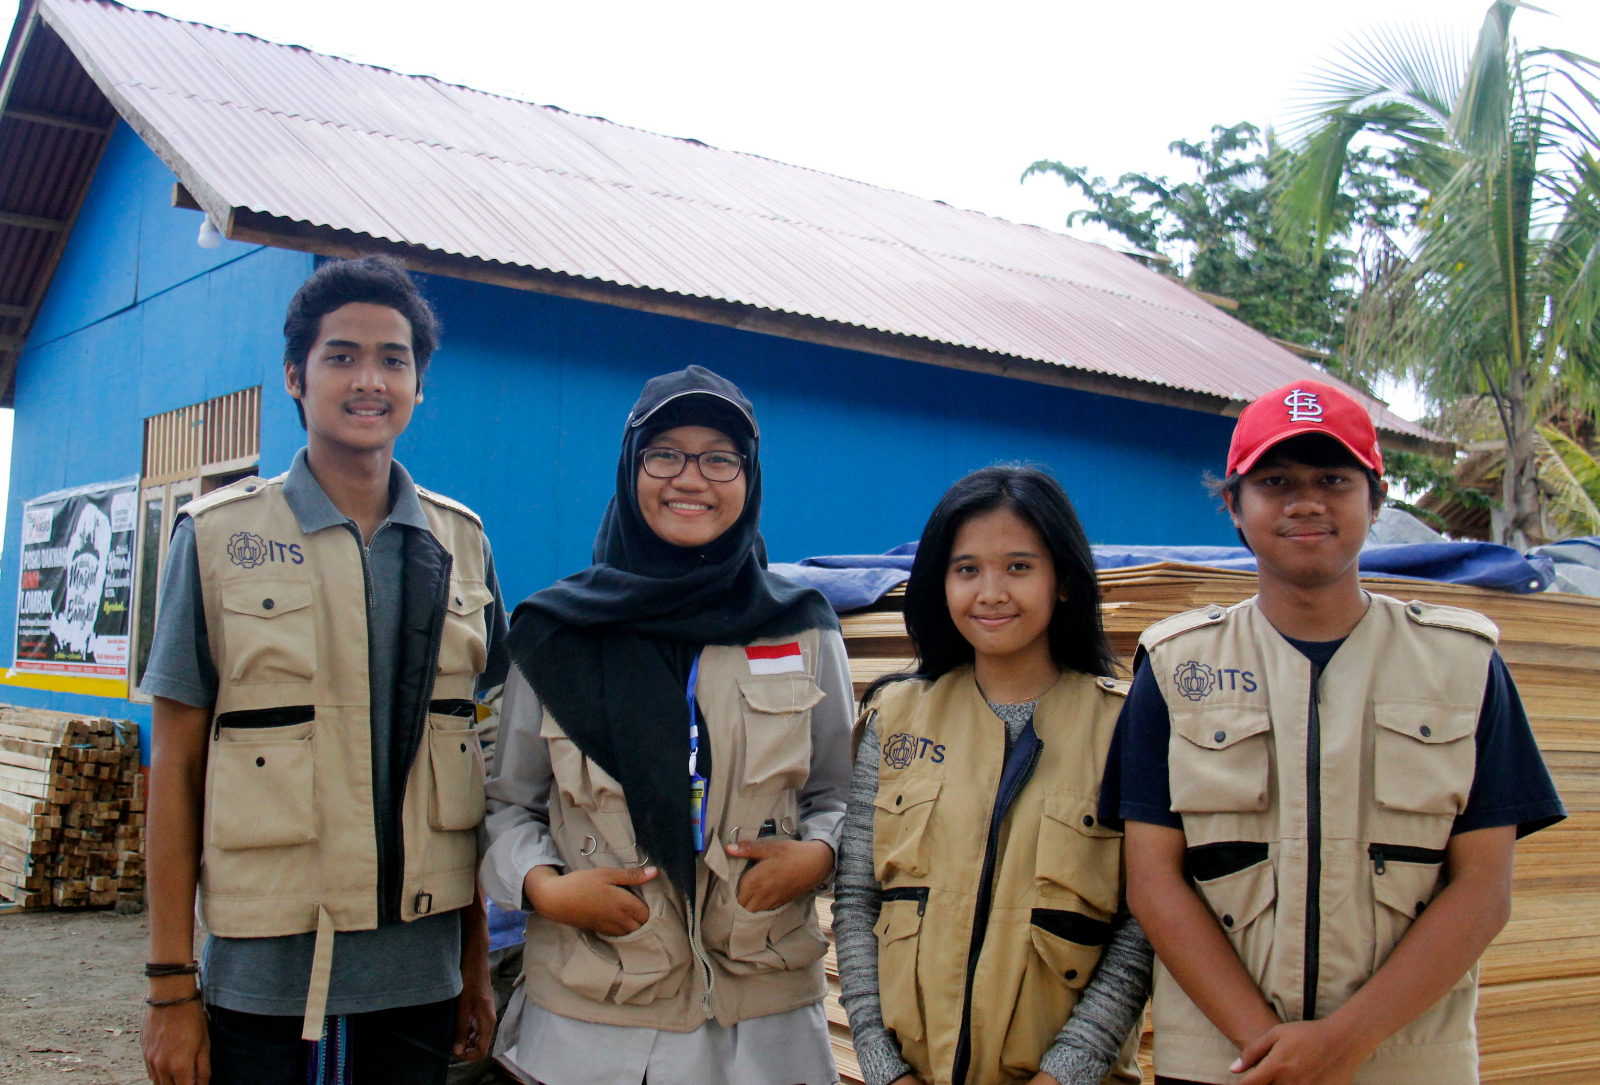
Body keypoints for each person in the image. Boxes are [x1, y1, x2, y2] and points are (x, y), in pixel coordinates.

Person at [1101, 379, 1567, 1085]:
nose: (1306, 501)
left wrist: (1346, 1041)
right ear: (1233, 503)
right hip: (1223, 1064)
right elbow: (1153, 880)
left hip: (1407, 1064)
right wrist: (1270, 1046)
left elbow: (1482, 889)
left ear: (1376, 499)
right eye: (1276, 480)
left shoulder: (1463, 665)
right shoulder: (1175, 666)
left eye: (1333, 479)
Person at [140, 256, 509, 1085]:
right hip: (267, 978)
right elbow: (176, 767)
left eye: (393, 358)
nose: (369, 379)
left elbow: (473, 766)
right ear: (294, 377)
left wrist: (475, 963)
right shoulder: (215, 538)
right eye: (341, 356)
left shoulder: (463, 545)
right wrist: (170, 987)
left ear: (420, 384)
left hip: (420, 977)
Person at [480, 365, 852, 1085]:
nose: (692, 478)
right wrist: (545, 887)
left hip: (764, 1020)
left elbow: (839, 796)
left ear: (749, 477)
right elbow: (506, 806)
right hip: (592, 1021)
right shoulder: (553, 631)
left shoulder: (803, 626)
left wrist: (820, 857)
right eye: (665, 454)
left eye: (719, 456)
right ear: (630, 468)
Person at [834, 465, 1152, 1085]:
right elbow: (855, 898)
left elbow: (1144, 923)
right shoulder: (895, 719)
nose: (991, 592)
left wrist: (1067, 1072)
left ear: (1062, 580)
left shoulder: (1125, 725)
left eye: (1019, 567)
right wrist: (879, 1065)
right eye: (967, 569)